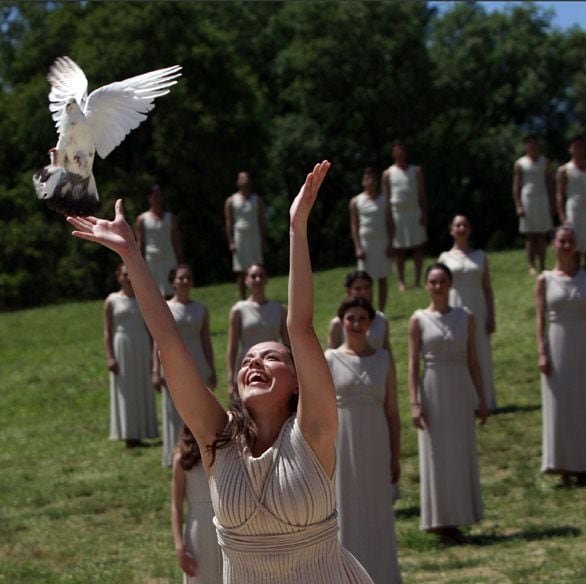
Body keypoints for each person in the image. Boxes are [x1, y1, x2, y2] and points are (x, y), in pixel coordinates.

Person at [68, 161, 374, 582]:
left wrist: (296, 226)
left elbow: (299, 327)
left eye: (271, 357)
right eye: (249, 358)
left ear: (297, 382)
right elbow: (171, 346)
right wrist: (131, 254)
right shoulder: (217, 438)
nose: (254, 362)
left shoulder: (315, 431)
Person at [408, 263, 489, 545]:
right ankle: (440, 520)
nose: (438, 286)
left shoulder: (465, 317)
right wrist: (414, 403)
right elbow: (411, 366)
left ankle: (463, 514)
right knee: (437, 454)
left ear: (450, 284)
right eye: (433, 282)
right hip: (432, 389)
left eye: (442, 281)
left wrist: (480, 396)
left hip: (459, 388)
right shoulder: (418, 319)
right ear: (427, 286)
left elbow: (473, 360)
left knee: (460, 450)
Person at [325, 296, 402, 583]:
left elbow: (392, 411)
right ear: (342, 322)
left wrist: (395, 454)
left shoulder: (383, 359)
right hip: (341, 446)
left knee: (377, 510)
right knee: (344, 510)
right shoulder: (330, 358)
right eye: (350, 319)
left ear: (371, 323)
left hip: (376, 443)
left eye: (362, 319)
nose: (356, 324)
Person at [535, 225, 586, 487]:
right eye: (561, 241)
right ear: (553, 245)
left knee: (583, 402)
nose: (566, 246)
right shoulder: (545, 279)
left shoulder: (585, 277)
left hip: (582, 343)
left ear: (576, 246)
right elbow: (540, 319)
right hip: (557, 344)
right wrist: (542, 351)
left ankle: (585, 464)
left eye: (570, 242)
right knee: (561, 403)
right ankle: (563, 464)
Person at [154, 264, 217, 467]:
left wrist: (211, 368)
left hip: (197, 360)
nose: (184, 281)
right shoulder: (166, 308)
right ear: (173, 282)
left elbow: (206, 340)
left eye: (188, 278)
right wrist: (156, 370)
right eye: (180, 278)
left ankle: (200, 452)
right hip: (173, 362)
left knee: (199, 407)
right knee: (174, 410)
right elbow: (158, 340)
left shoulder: (200, 309)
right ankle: (176, 455)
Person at [437, 215, 498, 412]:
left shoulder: (480, 256)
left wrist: (491, 315)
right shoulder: (445, 258)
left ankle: (485, 399)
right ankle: (463, 400)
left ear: (469, 229)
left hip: (477, 306)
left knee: (480, 350)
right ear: (451, 230)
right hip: (454, 305)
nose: (461, 228)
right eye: (457, 225)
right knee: (460, 351)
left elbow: (487, 288)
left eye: (465, 225)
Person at [103, 263, 158, 448]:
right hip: (121, 346)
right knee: (125, 389)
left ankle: (143, 431)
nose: (127, 278)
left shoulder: (143, 299)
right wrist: (110, 356)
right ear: (118, 277)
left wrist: (154, 356)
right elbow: (107, 331)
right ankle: (128, 434)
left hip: (141, 345)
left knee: (141, 387)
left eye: (130, 274)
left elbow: (151, 331)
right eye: (124, 274)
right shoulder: (111, 300)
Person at [226, 264, 290, 400]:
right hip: (248, 364)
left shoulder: (279, 309)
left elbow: (287, 344)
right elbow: (232, 347)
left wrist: (292, 370)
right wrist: (230, 378)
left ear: (267, 280)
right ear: (246, 280)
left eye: (261, 276)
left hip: (272, 364)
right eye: (253, 276)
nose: (258, 279)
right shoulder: (238, 310)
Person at [171, 425, 223, 584]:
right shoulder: (182, 458)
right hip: (199, 527)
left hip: (225, 521)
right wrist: (179, 546)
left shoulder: (223, 452)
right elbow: (176, 505)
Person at [382, 143, 429, 292]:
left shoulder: (416, 171)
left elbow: (422, 194)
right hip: (398, 213)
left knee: (417, 247)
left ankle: (418, 280)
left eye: (402, 151)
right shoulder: (388, 173)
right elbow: (386, 198)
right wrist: (388, 219)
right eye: (397, 151)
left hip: (414, 211)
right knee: (399, 250)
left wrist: (424, 213)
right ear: (393, 154)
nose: (400, 154)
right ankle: (401, 281)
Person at [556, 135, 586, 272]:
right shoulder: (564, 170)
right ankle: (575, 284)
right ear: (570, 149)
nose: (578, 149)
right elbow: (559, 194)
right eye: (575, 146)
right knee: (574, 250)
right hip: (574, 212)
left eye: (581, 146)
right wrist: (562, 215)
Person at [349, 167, 394, 311]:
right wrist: (358, 247)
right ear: (363, 182)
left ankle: (381, 310)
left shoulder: (385, 200)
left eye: (373, 179)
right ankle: (368, 309)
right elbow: (354, 225)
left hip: (382, 242)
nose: (371, 182)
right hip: (366, 243)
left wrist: (391, 244)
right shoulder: (356, 201)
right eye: (367, 179)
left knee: (382, 278)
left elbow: (390, 223)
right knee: (365, 280)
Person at [512, 134, 555, 275]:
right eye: (529, 143)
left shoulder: (545, 162)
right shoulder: (520, 163)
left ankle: (543, 264)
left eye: (534, 143)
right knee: (530, 236)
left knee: (542, 234)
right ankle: (532, 265)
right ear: (525, 146)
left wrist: (552, 202)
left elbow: (549, 182)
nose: (532, 146)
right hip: (528, 200)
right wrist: (518, 205)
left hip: (542, 199)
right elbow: (516, 185)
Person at [136, 184, 184, 297]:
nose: (157, 199)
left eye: (159, 196)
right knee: (154, 291)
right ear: (149, 198)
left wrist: (181, 262)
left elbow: (176, 241)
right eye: (154, 196)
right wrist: (138, 263)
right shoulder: (142, 219)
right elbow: (140, 242)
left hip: (169, 258)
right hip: (152, 260)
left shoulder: (170, 218)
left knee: (172, 288)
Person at [224, 171, 267, 299]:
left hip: (254, 237)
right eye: (242, 179)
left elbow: (261, 220)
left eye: (247, 178)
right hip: (240, 237)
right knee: (241, 270)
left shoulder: (256, 200)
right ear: (237, 182)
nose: (245, 181)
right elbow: (229, 222)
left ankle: (258, 295)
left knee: (257, 268)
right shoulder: (231, 201)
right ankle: (243, 297)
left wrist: (263, 239)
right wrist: (231, 241)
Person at [326, 270, 391, 353]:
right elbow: (331, 355)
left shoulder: (381, 320)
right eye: (358, 288)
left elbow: (386, 351)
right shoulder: (338, 323)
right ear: (348, 291)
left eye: (366, 287)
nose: (363, 292)